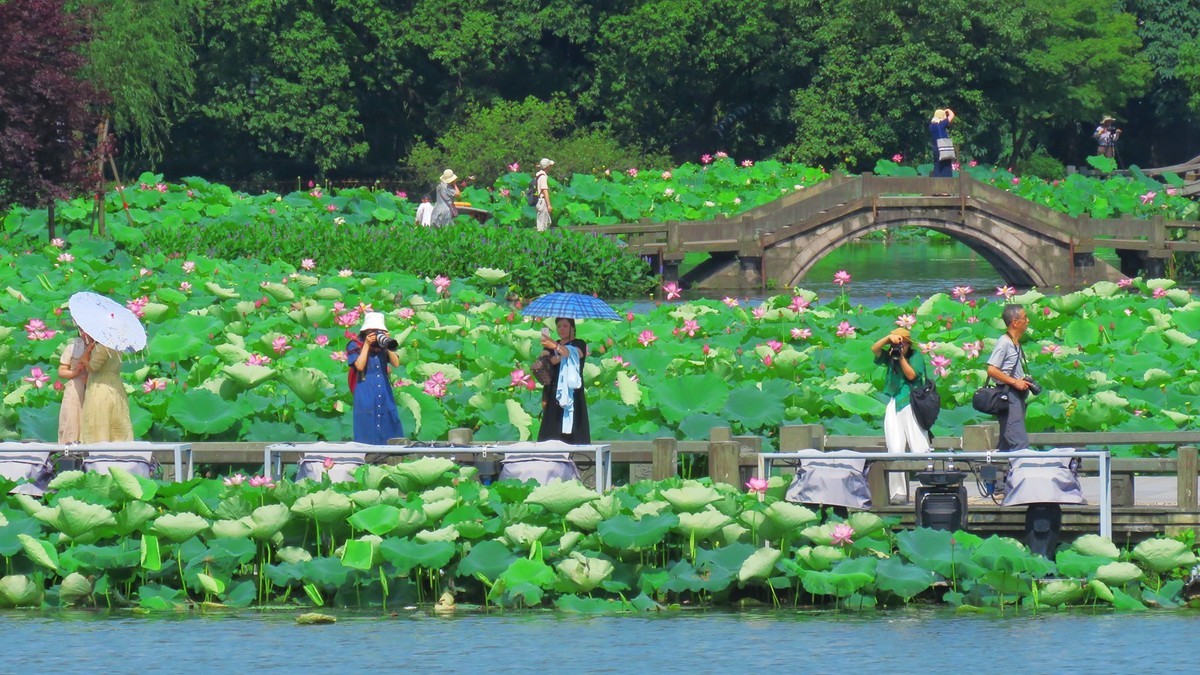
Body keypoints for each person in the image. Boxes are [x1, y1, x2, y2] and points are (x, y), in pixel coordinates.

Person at [870, 327, 930, 504]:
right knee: (895, 449)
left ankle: (927, 490)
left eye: (902, 343)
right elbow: (874, 349)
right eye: (898, 343)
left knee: (919, 447)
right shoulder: (889, 355)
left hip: (912, 403)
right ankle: (898, 494)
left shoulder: (915, 356)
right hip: (894, 402)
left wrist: (901, 357)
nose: (899, 346)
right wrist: (888, 338)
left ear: (908, 344)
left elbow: (912, 375)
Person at [348, 311, 404, 444]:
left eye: (379, 331)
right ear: (366, 331)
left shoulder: (382, 347)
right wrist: (367, 345)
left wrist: (387, 344)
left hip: (384, 391)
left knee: (390, 421)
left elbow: (396, 363)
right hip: (366, 391)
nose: (376, 334)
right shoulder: (355, 345)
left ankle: (393, 456)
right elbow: (359, 366)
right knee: (366, 425)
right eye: (373, 331)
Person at [986, 304, 1032, 451]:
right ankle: (1020, 473)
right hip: (1008, 396)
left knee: (1007, 442)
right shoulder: (1004, 342)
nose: (1028, 321)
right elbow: (992, 370)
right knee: (1019, 442)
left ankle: (1004, 472)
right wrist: (1015, 382)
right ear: (1015, 322)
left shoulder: (1015, 342)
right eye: (1025, 318)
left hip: (1016, 397)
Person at [536, 317, 590, 444]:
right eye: (559, 326)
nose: (562, 329)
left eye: (565, 326)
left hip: (572, 392)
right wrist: (545, 352)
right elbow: (548, 359)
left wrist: (556, 348)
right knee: (551, 431)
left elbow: (573, 354)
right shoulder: (552, 346)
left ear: (573, 327)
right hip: (554, 391)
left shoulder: (579, 343)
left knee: (573, 429)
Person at [78, 341, 134, 443]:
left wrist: (85, 358)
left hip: (101, 385)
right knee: (116, 418)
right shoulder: (118, 347)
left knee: (99, 418)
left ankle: (98, 450)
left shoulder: (102, 347)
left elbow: (93, 367)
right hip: (115, 385)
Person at [56, 327, 90, 444]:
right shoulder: (74, 346)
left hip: (94, 387)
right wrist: (75, 372)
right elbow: (61, 371)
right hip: (76, 386)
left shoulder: (102, 348)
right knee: (72, 420)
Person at [929, 108, 956, 179]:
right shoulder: (941, 124)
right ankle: (947, 185)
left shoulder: (931, 126)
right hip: (944, 148)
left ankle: (936, 184)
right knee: (946, 167)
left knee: (937, 166)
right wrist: (948, 110)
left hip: (936, 149)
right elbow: (952, 115)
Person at [535, 158, 554, 232]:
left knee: (545, 222)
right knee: (542, 225)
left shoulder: (538, 175)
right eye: (550, 166)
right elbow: (545, 191)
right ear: (547, 167)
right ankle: (541, 240)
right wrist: (549, 205)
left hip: (537, 201)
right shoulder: (543, 177)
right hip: (542, 201)